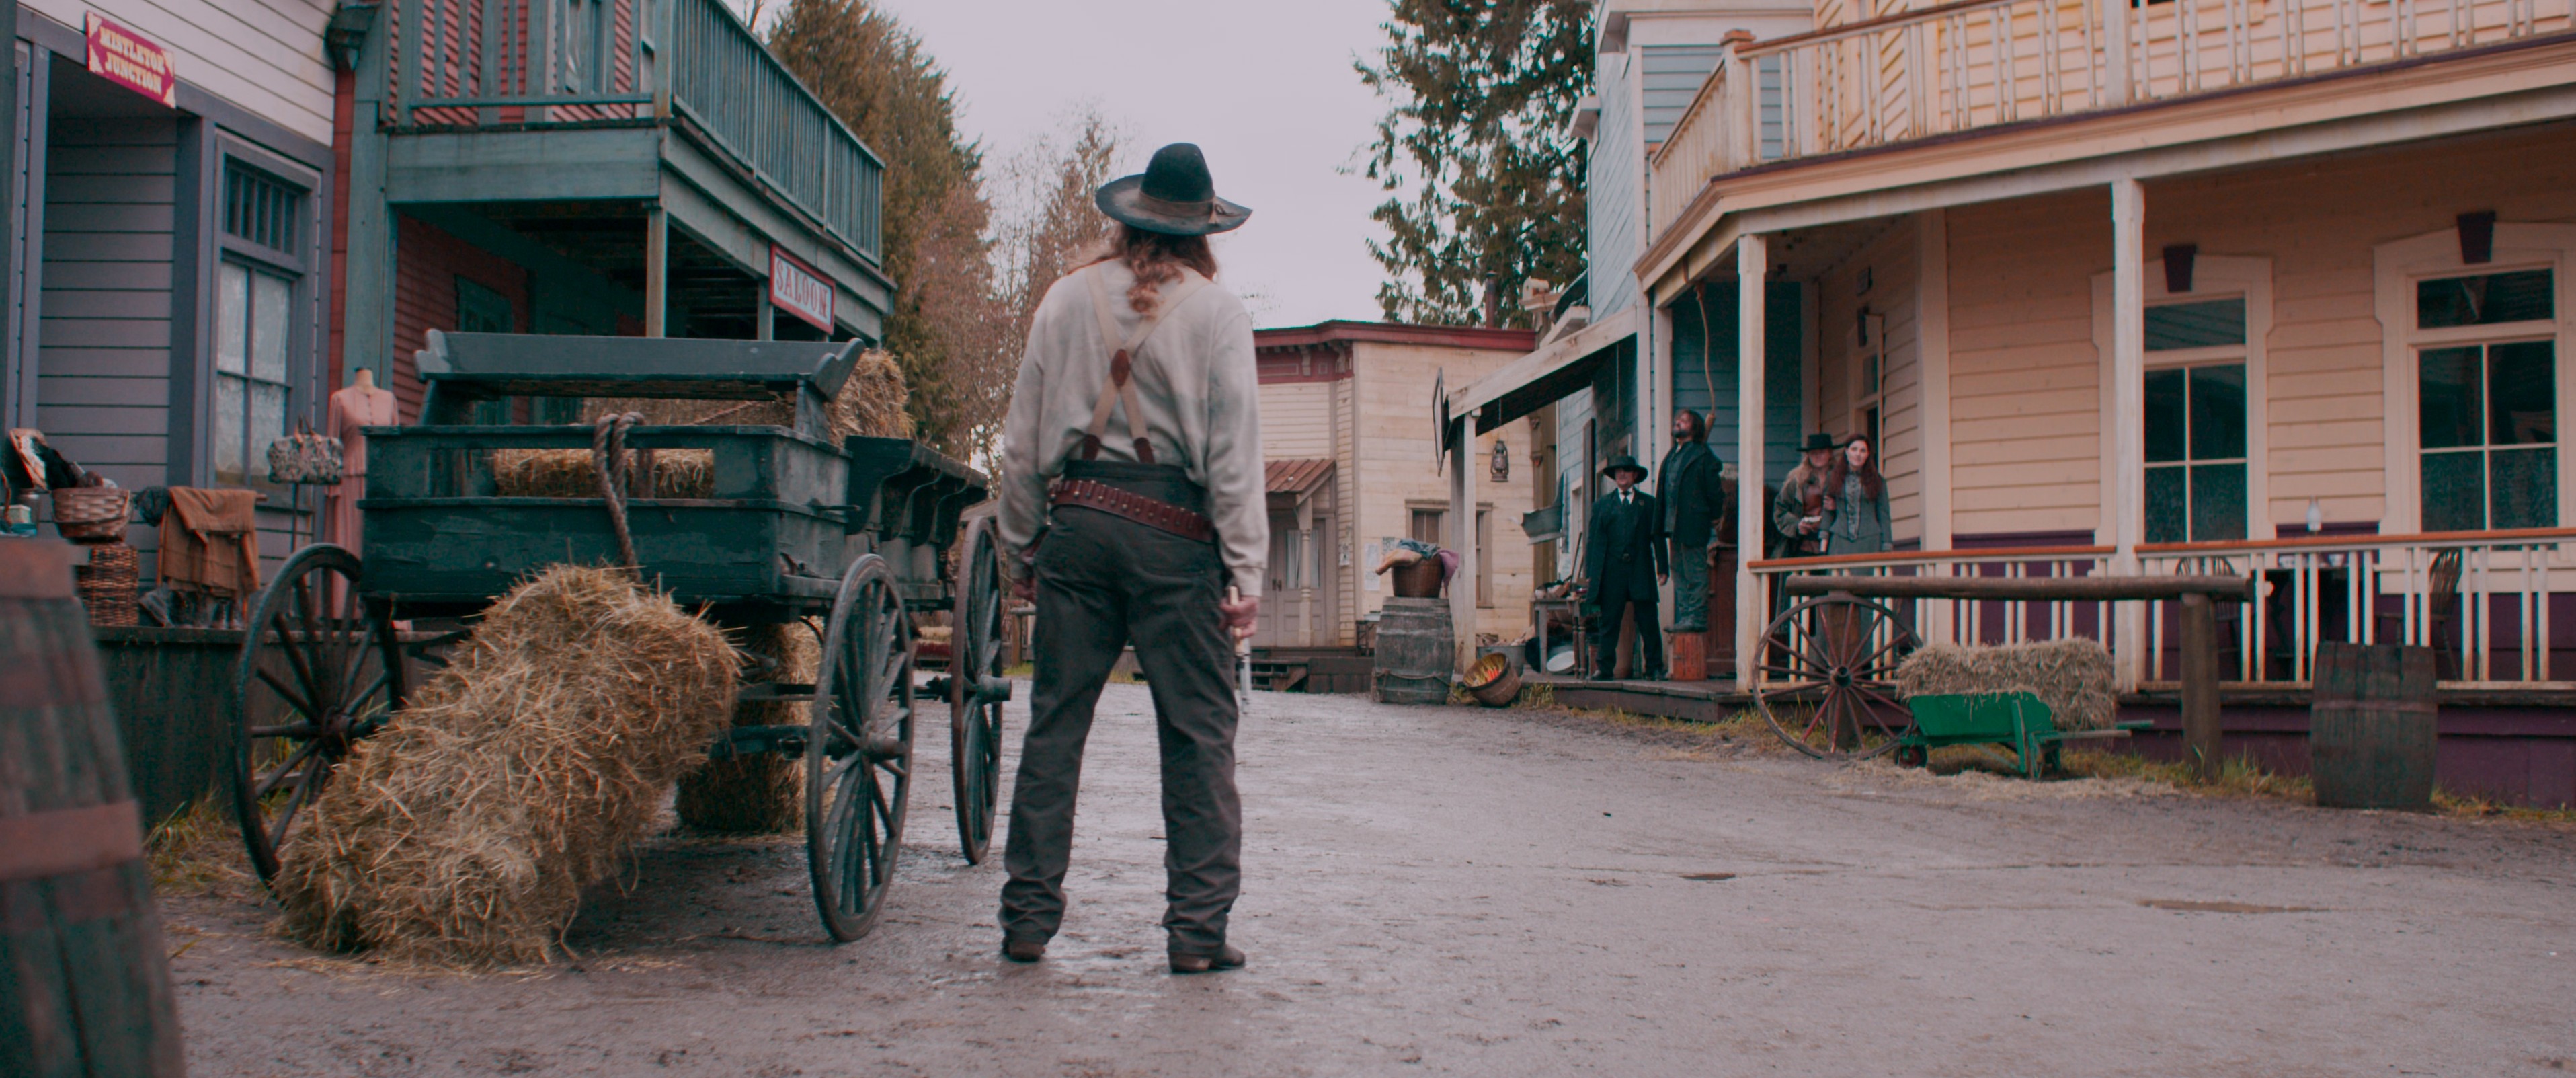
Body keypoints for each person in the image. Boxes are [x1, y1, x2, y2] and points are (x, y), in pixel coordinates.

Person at [995, 143, 1264, 976]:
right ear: (1203, 233)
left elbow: (1019, 443)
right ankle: (1196, 933)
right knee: (1197, 735)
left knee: (1054, 730)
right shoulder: (1219, 314)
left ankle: (1027, 921)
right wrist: (1246, 572)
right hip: (1174, 540)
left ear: (1127, 219)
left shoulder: (1063, 299)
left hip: (1077, 527)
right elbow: (1234, 458)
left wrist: (1023, 542)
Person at [1582, 455, 1667, 680]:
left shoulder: (1648, 504)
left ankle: (1655, 668)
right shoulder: (1602, 505)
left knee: (1648, 620)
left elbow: (1657, 537)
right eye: (1619, 471)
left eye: (1627, 471)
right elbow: (1594, 541)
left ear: (1635, 476)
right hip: (1612, 572)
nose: (1622, 475)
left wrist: (1663, 567)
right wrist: (1590, 573)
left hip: (1641, 569)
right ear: (1614, 476)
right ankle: (1605, 669)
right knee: (1610, 622)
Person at [1656, 410, 1726, 634]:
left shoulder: (1702, 455)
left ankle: (1696, 617)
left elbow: (1715, 492)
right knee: (1678, 572)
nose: (1678, 422)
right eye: (1677, 419)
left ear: (1695, 428)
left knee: (1695, 572)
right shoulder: (1673, 454)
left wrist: (1713, 515)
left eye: (1684, 420)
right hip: (1672, 526)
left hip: (1693, 524)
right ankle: (1686, 615)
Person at [1770, 433, 1839, 559]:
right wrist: (1797, 525)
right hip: (1803, 545)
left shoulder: (1841, 479)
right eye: (1814, 453)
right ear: (1808, 455)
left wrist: (1837, 506)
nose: (1818, 456)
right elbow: (1780, 511)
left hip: (1834, 545)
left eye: (1822, 452)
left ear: (1830, 453)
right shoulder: (1797, 481)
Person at [1822, 434, 1891, 557]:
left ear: (1868, 455)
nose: (1858, 454)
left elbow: (1884, 514)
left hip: (1869, 540)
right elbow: (1827, 511)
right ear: (1846, 451)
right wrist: (1823, 543)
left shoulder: (1878, 481)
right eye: (1854, 449)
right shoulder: (1833, 478)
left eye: (1863, 451)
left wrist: (1887, 545)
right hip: (1840, 538)